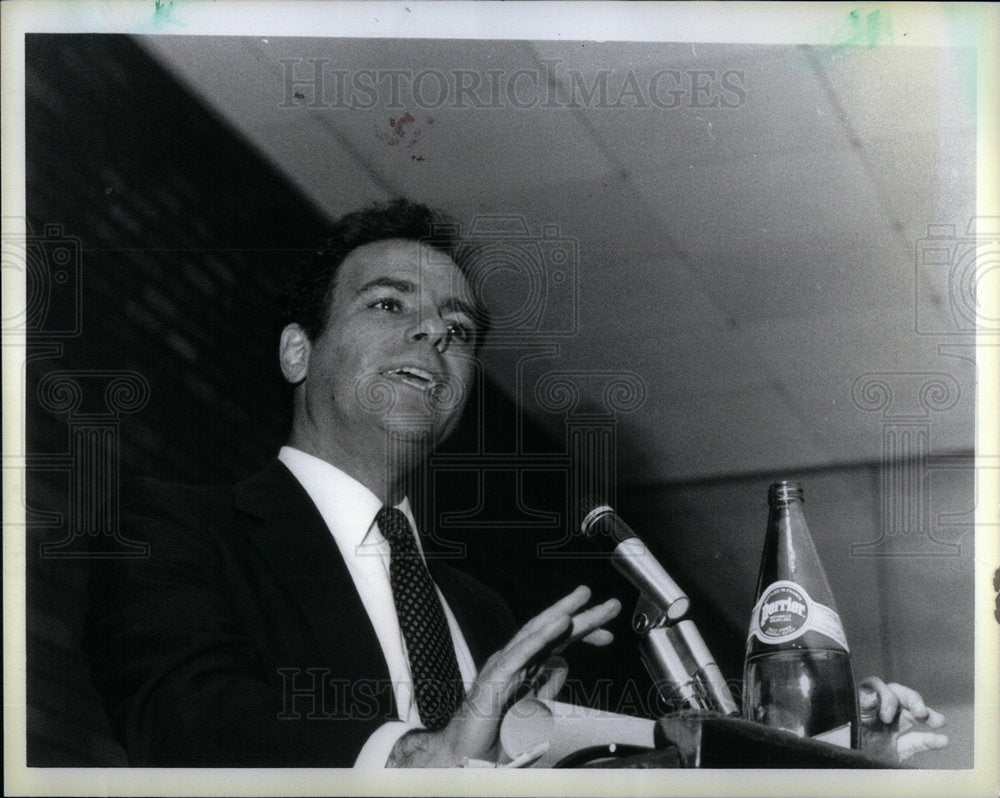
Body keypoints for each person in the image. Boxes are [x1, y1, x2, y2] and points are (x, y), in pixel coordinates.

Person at [84, 199, 948, 768]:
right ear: (296, 350)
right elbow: (181, 717)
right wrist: (417, 754)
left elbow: (601, 753)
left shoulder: (485, 615)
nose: (434, 335)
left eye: (458, 330)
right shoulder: (178, 528)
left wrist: (820, 754)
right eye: (390, 306)